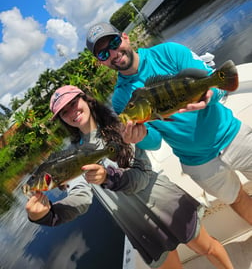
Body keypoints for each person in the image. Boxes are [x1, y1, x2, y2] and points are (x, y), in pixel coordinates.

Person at [26, 85, 233, 269]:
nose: (71, 112)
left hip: (163, 201)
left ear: (85, 99)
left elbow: (142, 174)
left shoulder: (123, 125)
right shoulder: (72, 158)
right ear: (62, 120)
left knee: (209, 249)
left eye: (73, 103)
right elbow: (80, 196)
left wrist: (108, 177)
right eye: (64, 112)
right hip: (136, 224)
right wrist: (48, 214)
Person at [85, 22, 252, 225]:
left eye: (113, 42)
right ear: (101, 62)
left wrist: (209, 96)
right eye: (103, 54)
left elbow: (213, 83)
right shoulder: (121, 98)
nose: (113, 53)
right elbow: (155, 142)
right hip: (198, 162)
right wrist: (142, 137)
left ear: (125, 37)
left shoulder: (168, 51)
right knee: (236, 199)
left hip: (230, 134)